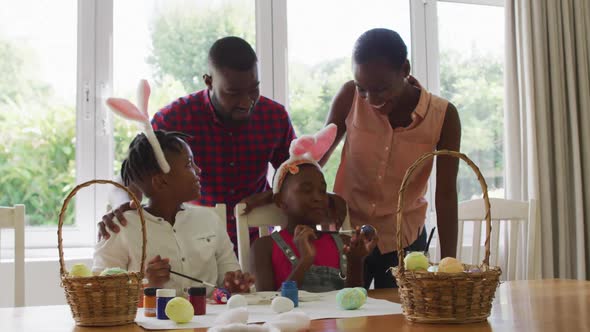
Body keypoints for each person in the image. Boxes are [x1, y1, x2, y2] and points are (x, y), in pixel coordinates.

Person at [98, 36, 300, 249]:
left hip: (257, 245)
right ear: (208, 81)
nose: (246, 102)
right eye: (233, 93)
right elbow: (128, 178)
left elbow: (297, 175)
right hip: (190, 246)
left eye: (253, 90)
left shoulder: (274, 117)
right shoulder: (174, 119)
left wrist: (268, 196)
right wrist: (124, 205)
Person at [320, 28, 461, 289]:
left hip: (403, 241)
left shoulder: (443, 116)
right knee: (344, 321)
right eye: (363, 89)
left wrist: (449, 263)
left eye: (382, 89)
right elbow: (318, 157)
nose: (371, 100)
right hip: (347, 237)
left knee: (404, 321)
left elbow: (446, 195)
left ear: (405, 69)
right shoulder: (348, 97)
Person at [93, 130, 254, 296]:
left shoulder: (210, 220)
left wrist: (234, 285)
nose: (198, 170)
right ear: (161, 181)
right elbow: (101, 293)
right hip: (147, 322)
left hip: (211, 321)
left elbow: (230, 278)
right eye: (189, 165)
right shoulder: (121, 227)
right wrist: (148, 286)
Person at [250, 125, 377, 292]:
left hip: (338, 319)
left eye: (322, 191)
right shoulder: (264, 247)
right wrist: (305, 260)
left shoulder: (343, 244)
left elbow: (353, 300)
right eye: (306, 190)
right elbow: (269, 307)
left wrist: (356, 261)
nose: (318, 197)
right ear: (281, 201)